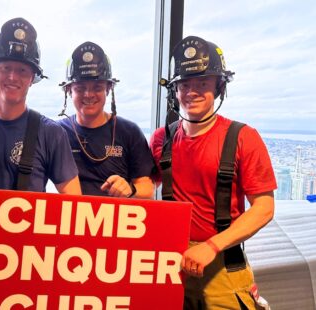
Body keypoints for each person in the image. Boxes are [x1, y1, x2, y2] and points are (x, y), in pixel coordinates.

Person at [150, 36, 276, 309]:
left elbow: (264, 207)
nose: (192, 91)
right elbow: (145, 187)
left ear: (219, 87)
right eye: (184, 84)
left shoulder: (243, 137)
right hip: (172, 266)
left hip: (222, 267)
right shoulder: (162, 139)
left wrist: (212, 246)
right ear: (175, 90)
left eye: (202, 83)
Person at [0, 17, 81, 194]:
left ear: (32, 78)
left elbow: (72, 199)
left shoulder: (52, 134)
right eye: (6, 68)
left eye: (22, 70)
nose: (13, 77)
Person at [58, 41, 155, 198]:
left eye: (97, 87)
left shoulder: (129, 132)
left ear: (108, 89)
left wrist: (130, 189)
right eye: (80, 88)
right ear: (69, 91)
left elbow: (147, 187)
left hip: (116, 219)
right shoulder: (57, 133)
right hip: (70, 219)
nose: (88, 95)